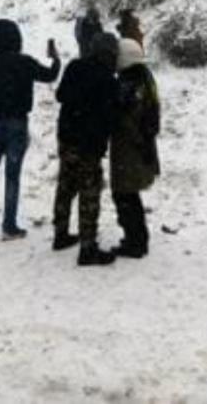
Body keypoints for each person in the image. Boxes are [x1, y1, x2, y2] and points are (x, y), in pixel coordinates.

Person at [0, 20, 61, 243]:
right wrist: (55, 58)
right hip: (17, 123)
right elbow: (50, 75)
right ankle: (9, 225)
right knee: (12, 176)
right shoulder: (24, 62)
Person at [53, 32, 120, 266]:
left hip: (66, 137)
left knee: (65, 185)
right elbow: (112, 117)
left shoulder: (74, 66)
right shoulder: (109, 80)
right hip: (89, 145)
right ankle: (87, 247)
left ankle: (60, 234)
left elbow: (60, 95)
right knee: (89, 193)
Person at [109, 39, 160, 259]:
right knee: (130, 194)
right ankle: (137, 237)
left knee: (125, 194)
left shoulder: (129, 83)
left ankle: (135, 241)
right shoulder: (145, 78)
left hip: (130, 147)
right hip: (141, 144)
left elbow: (126, 117)